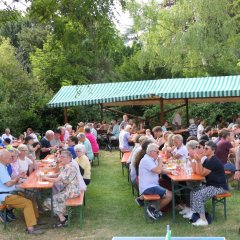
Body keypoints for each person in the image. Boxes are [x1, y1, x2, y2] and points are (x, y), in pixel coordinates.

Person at [0, 149, 43, 234]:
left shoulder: (4, 166)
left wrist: (17, 178)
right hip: (5, 195)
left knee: (31, 197)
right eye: (9, 157)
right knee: (27, 203)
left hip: (10, 192)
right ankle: (30, 229)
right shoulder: (1, 168)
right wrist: (17, 178)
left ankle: (36, 220)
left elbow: (10, 181)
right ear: (2, 157)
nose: (10, 158)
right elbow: (8, 184)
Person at [187, 141, 228, 226]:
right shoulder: (207, 160)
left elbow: (202, 174)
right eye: (204, 148)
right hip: (211, 185)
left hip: (219, 187)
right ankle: (195, 214)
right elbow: (197, 172)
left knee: (198, 194)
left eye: (206, 148)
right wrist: (193, 159)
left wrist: (198, 161)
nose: (204, 150)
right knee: (193, 191)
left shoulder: (213, 161)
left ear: (213, 150)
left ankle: (203, 220)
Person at [42, 150, 80, 228]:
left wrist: (45, 178)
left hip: (71, 191)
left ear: (69, 158)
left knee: (48, 201)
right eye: (61, 156)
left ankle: (63, 220)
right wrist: (48, 176)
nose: (61, 158)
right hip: (68, 189)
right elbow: (58, 174)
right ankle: (65, 214)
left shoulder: (69, 167)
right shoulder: (66, 165)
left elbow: (57, 180)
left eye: (63, 157)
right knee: (55, 196)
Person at [139, 143, 172, 220]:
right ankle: (153, 209)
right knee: (170, 195)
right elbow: (158, 170)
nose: (158, 153)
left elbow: (161, 170)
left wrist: (171, 172)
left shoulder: (151, 159)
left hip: (152, 185)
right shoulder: (147, 160)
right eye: (157, 152)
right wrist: (160, 161)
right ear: (151, 152)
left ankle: (154, 208)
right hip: (148, 187)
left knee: (166, 187)